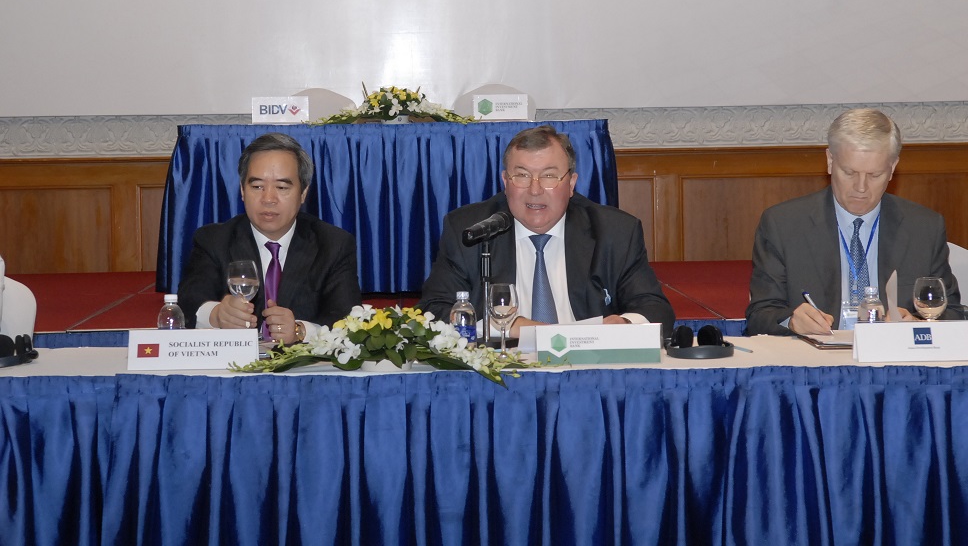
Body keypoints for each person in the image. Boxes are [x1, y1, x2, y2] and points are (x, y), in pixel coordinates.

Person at [419, 125, 675, 338]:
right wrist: (502, 326)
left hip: (586, 366)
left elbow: (655, 309)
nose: (535, 189)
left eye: (549, 176)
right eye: (522, 175)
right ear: (505, 182)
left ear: (571, 184)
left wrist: (624, 324)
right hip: (503, 366)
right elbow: (433, 310)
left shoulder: (614, 231)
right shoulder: (471, 231)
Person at [746, 108, 963, 336]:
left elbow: (954, 314)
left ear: (892, 169)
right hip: (815, 355)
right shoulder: (783, 225)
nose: (861, 188)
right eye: (849, 173)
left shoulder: (924, 228)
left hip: (891, 355)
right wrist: (791, 321)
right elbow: (760, 315)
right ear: (830, 161)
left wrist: (917, 325)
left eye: (874, 175)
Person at [178, 133, 361, 343]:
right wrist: (216, 314)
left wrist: (301, 331)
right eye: (257, 187)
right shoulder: (214, 240)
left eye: (282, 187)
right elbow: (188, 301)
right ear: (242, 190)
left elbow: (347, 319)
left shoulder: (334, 244)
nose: (268, 199)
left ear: (303, 193)